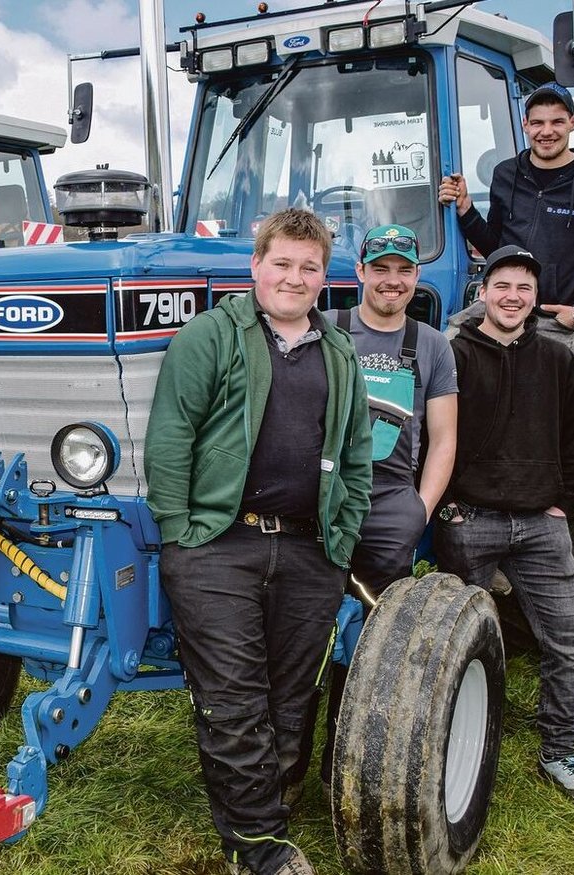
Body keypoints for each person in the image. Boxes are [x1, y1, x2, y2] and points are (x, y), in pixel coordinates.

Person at [145, 208, 372, 875]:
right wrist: (180, 533)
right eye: (282, 263)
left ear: (324, 276)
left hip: (307, 549)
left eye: (309, 267)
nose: (294, 278)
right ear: (256, 266)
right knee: (234, 699)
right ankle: (257, 845)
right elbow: (171, 435)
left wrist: (341, 537)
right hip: (219, 545)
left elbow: (357, 456)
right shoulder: (209, 337)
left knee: (292, 694)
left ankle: (272, 793)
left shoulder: (339, 353)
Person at [284, 223, 458, 802]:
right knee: (303, 634)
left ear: (415, 278)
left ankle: (344, 769)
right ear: (360, 272)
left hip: (388, 506)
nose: (391, 281)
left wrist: (419, 509)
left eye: (403, 271)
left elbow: (444, 439)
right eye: (380, 269)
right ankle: (286, 770)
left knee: (373, 645)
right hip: (321, 500)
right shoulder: (326, 328)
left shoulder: (431, 346)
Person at [433, 244, 574, 804]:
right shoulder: (453, 355)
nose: (513, 297)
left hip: (539, 525)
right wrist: (448, 507)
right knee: (453, 644)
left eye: (524, 288)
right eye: (502, 286)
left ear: (536, 298)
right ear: (483, 291)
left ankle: (559, 751)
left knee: (567, 638)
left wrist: (565, 501)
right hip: (471, 522)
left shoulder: (557, 360)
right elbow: (430, 437)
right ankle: (445, 750)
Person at [438, 81, 574, 331]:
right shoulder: (505, 174)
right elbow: (496, 248)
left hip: (554, 317)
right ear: (525, 124)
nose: (546, 131)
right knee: (449, 342)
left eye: (557, 122)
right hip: (501, 308)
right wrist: (465, 209)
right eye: (538, 123)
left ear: (572, 122)